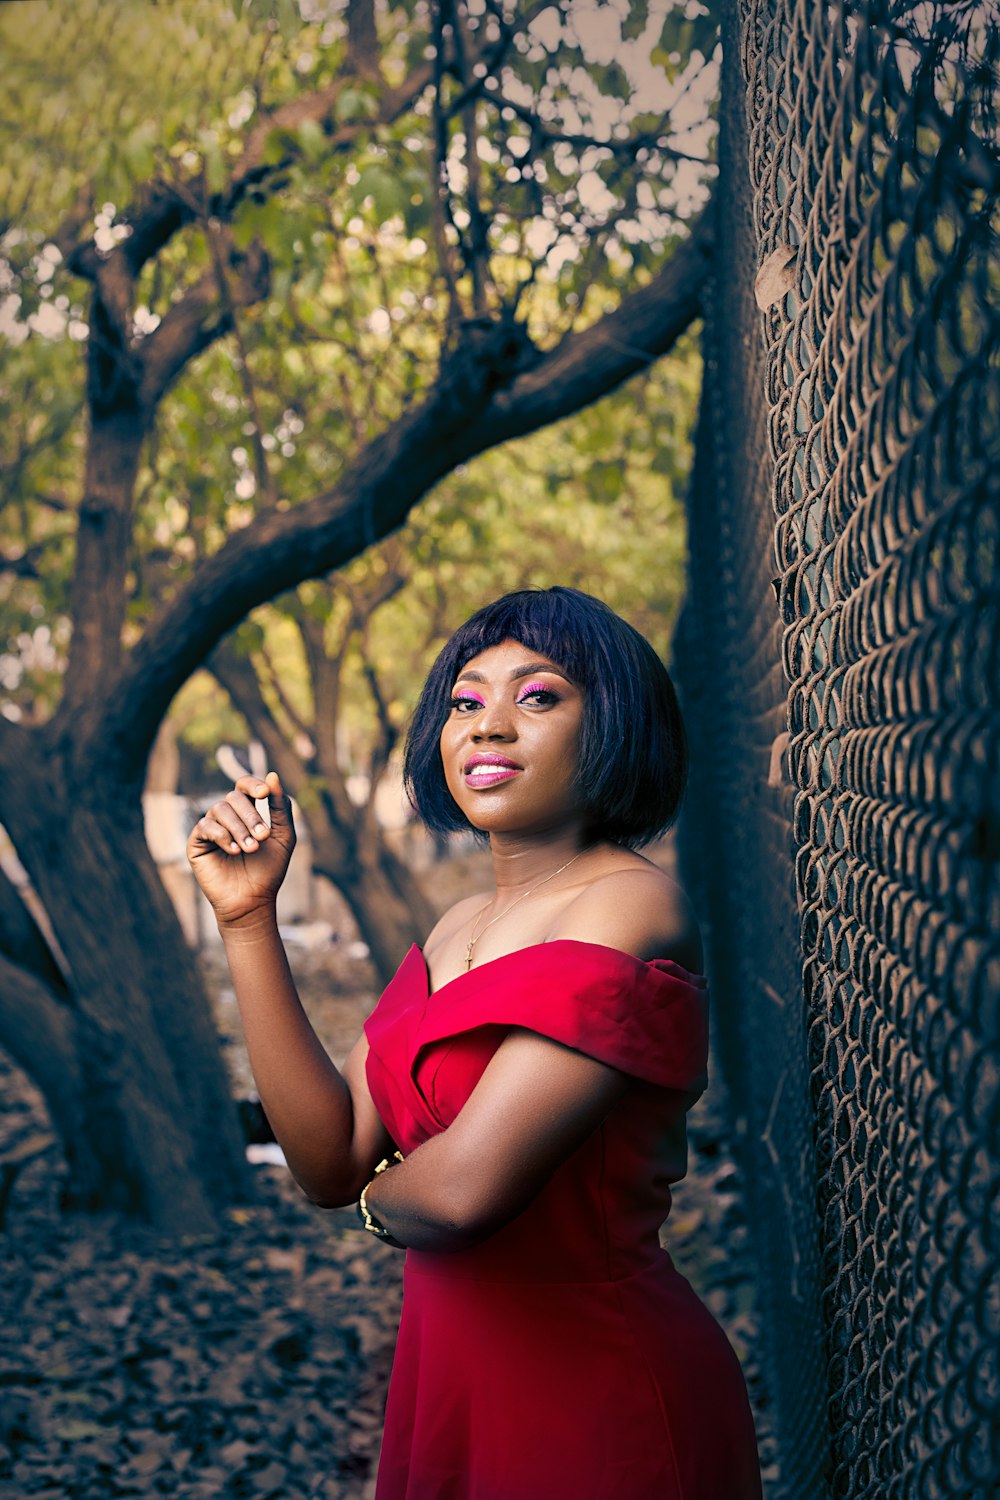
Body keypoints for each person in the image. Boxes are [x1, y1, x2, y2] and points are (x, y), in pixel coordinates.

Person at [187, 586, 763, 1499]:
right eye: (465, 701)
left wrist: (380, 1199)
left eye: (538, 697)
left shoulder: (629, 903)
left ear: (613, 726)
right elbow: (329, 1156)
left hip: (590, 1389)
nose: (488, 725)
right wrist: (249, 919)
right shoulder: (458, 924)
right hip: (445, 1371)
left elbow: (459, 1196)